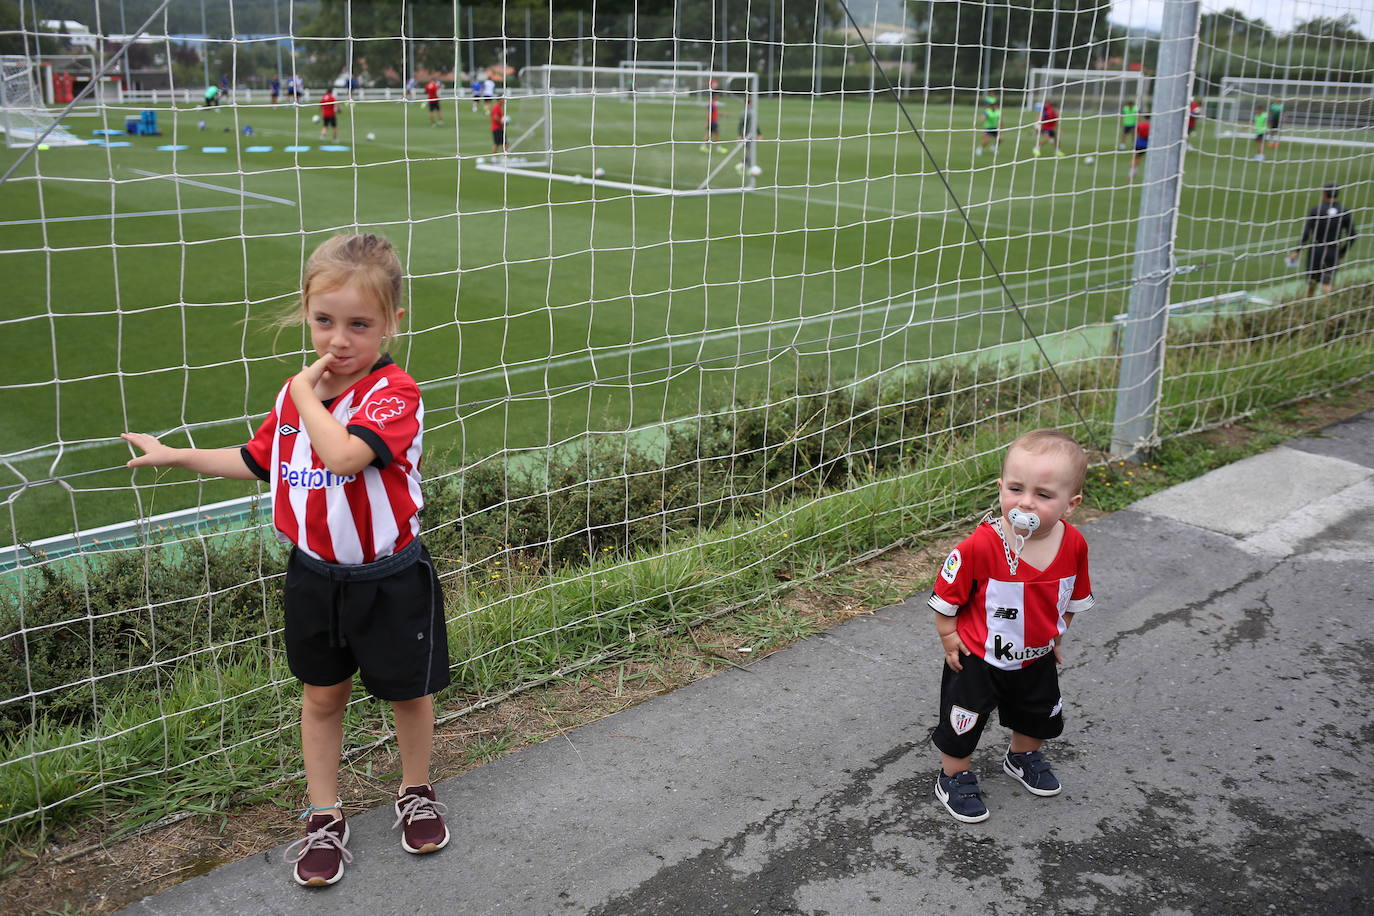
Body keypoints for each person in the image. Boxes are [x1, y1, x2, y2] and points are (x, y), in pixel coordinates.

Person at [121, 234, 452, 886]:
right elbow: (255, 461)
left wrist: (306, 396)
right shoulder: (293, 398)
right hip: (314, 579)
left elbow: (346, 456)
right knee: (322, 696)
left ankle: (416, 790)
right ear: (306, 311)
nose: (338, 339)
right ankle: (324, 815)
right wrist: (177, 455)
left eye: (359, 324)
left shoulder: (394, 393)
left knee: (407, 692)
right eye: (325, 320)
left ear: (391, 323)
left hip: (388, 579)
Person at [927, 429, 1095, 824]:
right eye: (1016, 489)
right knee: (962, 719)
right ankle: (953, 775)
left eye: (1043, 494)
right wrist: (949, 637)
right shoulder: (981, 545)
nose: (1025, 503)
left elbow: (1070, 598)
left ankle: (1022, 756)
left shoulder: (1074, 545)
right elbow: (947, 594)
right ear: (1001, 487)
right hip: (978, 655)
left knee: (1036, 714)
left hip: (1035, 654)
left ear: (1070, 505)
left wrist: (1056, 633)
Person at [1291, 182, 1357, 297]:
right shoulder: (1344, 211)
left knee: (1312, 283)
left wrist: (1297, 251)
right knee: (1328, 283)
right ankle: (1330, 309)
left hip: (1316, 250)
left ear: (1324, 193)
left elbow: (1306, 233)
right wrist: (1342, 251)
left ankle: (1309, 306)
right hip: (1333, 251)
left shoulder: (1316, 210)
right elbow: (1353, 235)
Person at [734, 95, 764, 173]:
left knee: (748, 152)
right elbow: (754, 125)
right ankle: (746, 166)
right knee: (750, 152)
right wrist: (759, 134)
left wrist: (739, 136)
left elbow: (740, 126)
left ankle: (743, 165)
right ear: (750, 103)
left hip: (744, 136)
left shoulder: (742, 113)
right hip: (750, 136)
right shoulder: (751, 113)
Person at [1127, 116, 1149, 180]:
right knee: (1139, 158)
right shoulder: (1150, 125)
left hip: (1139, 143)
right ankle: (1134, 173)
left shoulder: (1140, 124)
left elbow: (1133, 130)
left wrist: (1134, 138)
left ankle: (1130, 174)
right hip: (1146, 144)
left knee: (1135, 158)